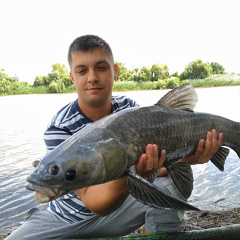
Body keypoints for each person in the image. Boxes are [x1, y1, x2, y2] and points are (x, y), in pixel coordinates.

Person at [6, 35, 223, 239]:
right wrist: (133, 173)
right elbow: (96, 204)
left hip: (122, 209)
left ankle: (155, 233)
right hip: (66, 217)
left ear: (115, 71)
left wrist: (186, 158)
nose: (92, 77)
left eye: (101, 68)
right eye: (82, 71)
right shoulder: (59, 127)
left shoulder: (131, 110)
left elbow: (154, 167)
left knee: (170, 183)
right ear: (72, 77)